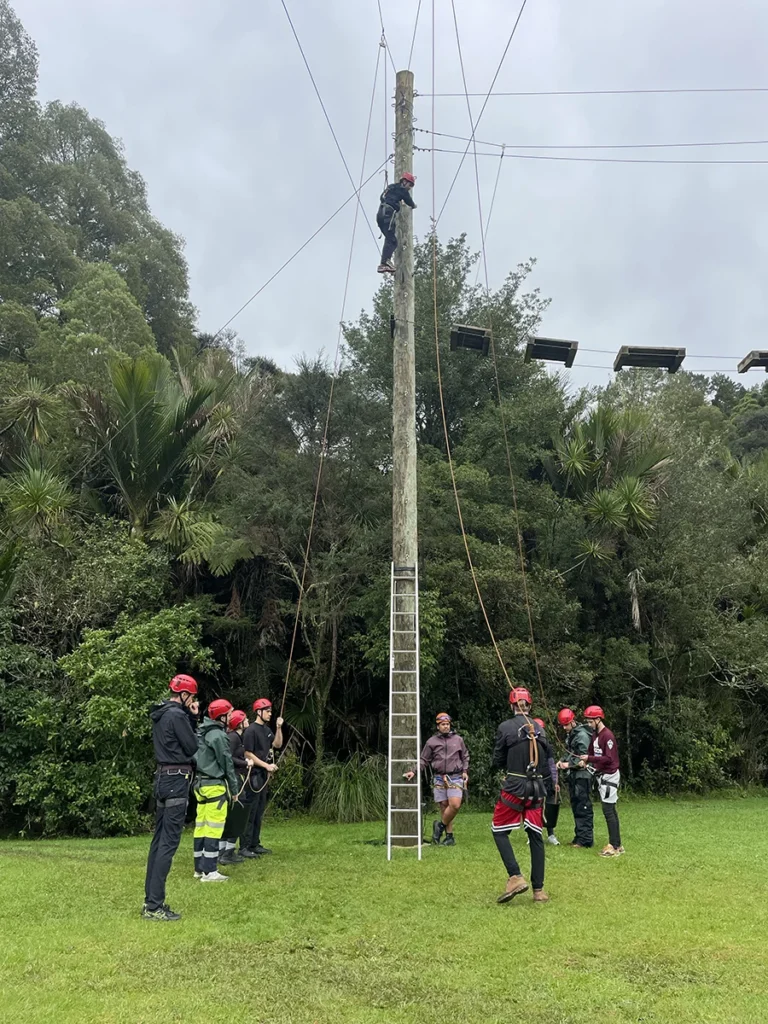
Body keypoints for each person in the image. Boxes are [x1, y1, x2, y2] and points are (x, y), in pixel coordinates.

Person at [143, 673, 200, 921]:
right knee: (168, 843)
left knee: (158, 842)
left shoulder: (161, 713)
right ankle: (155, 906)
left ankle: (150, 901)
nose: (193, 701)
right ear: (184, 695)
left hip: (162, 778)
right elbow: (192, 746)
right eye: (192, 697)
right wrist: (193, 718)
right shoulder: (177, 715)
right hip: (176, 780)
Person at [491, 687, 553, 904]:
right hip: (537, 790)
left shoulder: (505, 727)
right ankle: (539, 891)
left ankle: (515, 876)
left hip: (515, 787)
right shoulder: (540, 729)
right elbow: (546, 760)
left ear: (512, 706)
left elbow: (498, 759)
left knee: (499, 830)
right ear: (530, 705)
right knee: (535, 835)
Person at [404, 712, 469, 846]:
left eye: (447, 724)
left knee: (455, 805)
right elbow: (424, 759)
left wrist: (465, 771)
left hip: (455, 776)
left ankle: (439, 826)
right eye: (443, 724)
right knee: (444, 806)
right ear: (438, 726)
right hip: (439, 777)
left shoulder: (458, 740)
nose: (446, 726)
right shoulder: (431, 742)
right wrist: (414, 771)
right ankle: (449, 837)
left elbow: (465, 756)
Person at [193, 699, 240, 882]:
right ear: (222, 717)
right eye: (229, 714)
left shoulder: (201, 732)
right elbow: (227, 763)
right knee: (213, 829)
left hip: (200, 785)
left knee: (201, 827)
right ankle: (210, 871)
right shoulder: (218, 736)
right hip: (214, 787)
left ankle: (199, 868)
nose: (231, 717)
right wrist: (234, 789)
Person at [578, 705, 624, 857]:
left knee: (609, 810)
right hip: (602, 775)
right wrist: (586, 760)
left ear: (598, 719)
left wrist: (589, 758)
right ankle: (617, 844)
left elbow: (609, 758)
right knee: (610, 810)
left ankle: (614, 845)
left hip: (610, 776)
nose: (589, 724)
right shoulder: (595, 735)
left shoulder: (607, 736)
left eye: (591, 721)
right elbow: (592, 752)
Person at [241, 698, 283, 856]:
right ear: (259, 712)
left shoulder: (266, 730)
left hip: (263, 775)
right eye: (267, 711)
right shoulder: (251, 730)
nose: (270, 714)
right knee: (251, 811)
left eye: (270, 711)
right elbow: (248, 753)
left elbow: (277, 745)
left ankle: (254, 844)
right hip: (253, 775)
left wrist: (278, 728)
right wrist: (266, 765)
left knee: (259, 810)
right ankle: (244, 847)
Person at [555, 708, 595, 848]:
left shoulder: (582, 735)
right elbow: (570, 752)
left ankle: (586, 840)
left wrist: (568, 764)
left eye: (566, 725)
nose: (564, 728)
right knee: (576, 806)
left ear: (572, 722)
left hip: (582, 776)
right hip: (574, 776)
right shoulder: (572, 734)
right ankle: (579, 837)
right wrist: (561, 761)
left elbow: (584, 758)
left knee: (583, 807)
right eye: (563, 725)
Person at [218, 710, 252, 866]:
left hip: (238, 777)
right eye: (245, 719)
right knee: (237, 814)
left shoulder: (237, 737)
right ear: (239, 723)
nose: (248, 721)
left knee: (233, 814)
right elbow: (229, 758)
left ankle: (224, 851)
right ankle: (227, 852)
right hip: (235, 779)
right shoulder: (233, 738)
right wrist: (245, 763)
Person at [376, 173, 416, 274]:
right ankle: (384, 263)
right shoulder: (402, 190)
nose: (410, 188)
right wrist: (413, 205)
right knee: (392, 241)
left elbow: (382, 196)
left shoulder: (391, 187)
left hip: (380, 214)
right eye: (410, 185)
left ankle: (385, 263)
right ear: (404, 182)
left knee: (389, 238)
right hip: (388, 214)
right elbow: (409, 201)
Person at [534, 718, 561, 846]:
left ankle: (551, 835)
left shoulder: (547, 746)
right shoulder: (528, 746)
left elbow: (551, 764)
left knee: (549, 807)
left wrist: (555, 782)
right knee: (534, 808)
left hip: (547, 780)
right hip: (534, 780)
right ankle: (534, 834)